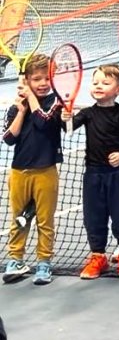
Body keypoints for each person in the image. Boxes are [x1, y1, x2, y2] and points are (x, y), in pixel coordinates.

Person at [62, 65, 119, 280]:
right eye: (95, 82)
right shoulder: (86, 114)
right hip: (93, 175)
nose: (98, 86)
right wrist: (66, 118)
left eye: (105, 83)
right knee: (94, 217)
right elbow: (67, 129)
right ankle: (98, 256)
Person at [2, 54, 64, 285]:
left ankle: (44, 263)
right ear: (27, 80)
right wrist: (21, 109)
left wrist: (32, 101)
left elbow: (44, 122)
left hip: (45, 171)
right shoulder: (17, 107)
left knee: (44, 221)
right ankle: (16, 260)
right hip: (19, 172)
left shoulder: (56, 102)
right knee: (19, 219)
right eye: (36, 79)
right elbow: (9, 138)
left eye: (46, 77)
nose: (42, 83)